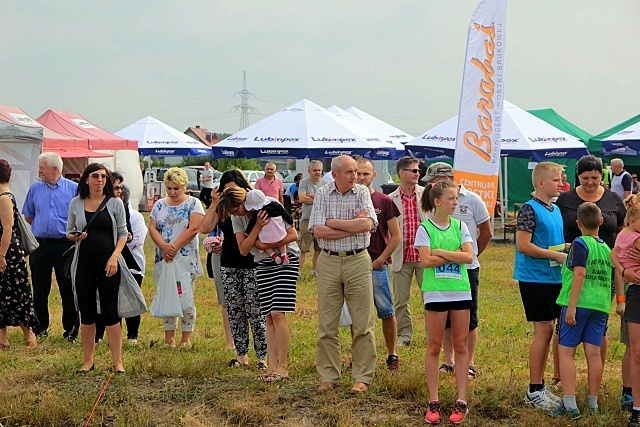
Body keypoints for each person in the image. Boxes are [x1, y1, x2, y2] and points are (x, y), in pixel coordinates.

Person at [309, 155, 377, 394]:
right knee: (327, 324)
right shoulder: (322, 193)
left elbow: (366, 225)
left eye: (357, 172)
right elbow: (318, 231)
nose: (355, 176)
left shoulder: (362, 193)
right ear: (335, 174)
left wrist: (333, 223)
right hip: (328, 261)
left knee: (362, 323)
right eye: (349, 172)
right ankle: (328, 376)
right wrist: (350, 225)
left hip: (358, 259)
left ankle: (362, 377)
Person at [556, 155, 626, 389]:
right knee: (563, 326)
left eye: (595, 178)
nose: (590, 182)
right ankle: (560, 377)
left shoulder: (614, 199)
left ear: (602, 176)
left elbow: (621, 229)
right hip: (571, 265)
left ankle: (596, 379)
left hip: (602, 269)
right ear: (578, 177)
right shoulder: (565, 199)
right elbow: (557, 228)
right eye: (585, 178)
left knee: (599, 328)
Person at [218, 185, 299, 382]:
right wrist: (256, 229)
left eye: (236, 209)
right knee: (269, 316)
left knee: (278, 313)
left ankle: (283, 367)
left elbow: (293, 235)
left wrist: (264, 245)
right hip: (262, 263)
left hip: (286, 258)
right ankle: (271, 366)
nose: (236, 214)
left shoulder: (271, 205)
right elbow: (244, 249)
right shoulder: (238, 219)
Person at [424, 162, 492, 379]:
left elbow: (486, 232)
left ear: (446, 178)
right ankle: (449, 360)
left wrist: (471, 257)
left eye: (434, 181)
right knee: (444, 318)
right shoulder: (432, 200)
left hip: (467, 269)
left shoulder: (472, 199)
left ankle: (469, 362)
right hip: (440, 270)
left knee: (469, 317)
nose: (430, 185)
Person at [416, 179, 474, 425]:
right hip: (436, 293)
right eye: (451, 199)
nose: (455, 203)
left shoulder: (460, 226)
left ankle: (461, 400)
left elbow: (469, 256)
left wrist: (440, 252)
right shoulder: (425, 228)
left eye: (456, 198)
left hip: (460, 291)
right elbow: (425, 262)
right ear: (437, 202)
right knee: (434, 346)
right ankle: (434, 400)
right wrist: (453, 256)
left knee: (461, 346)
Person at [66, 163, 134, 373]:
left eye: (104, 177)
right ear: (86, 179)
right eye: (95, 176)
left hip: (109, 264)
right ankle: (88, 361)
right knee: (86, 312)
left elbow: (123, 234)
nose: (100, 180)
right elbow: (68, 232)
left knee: (110, 312)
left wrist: (114, 257)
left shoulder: (115, 203)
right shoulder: (76, 203)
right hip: (84, 263)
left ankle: (117, 362)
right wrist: (75, 236)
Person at [549, 203, 613, 418]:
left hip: (578, 304)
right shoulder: (606, 248)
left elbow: (579, 274)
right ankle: (593, 404)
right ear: (602, 221)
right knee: (594, 354)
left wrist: (572, 306)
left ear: (577, 224)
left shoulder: (579, 244)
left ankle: (570, 405)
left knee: (566, 352)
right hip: (600, 306)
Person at [201, 170, 266, 367]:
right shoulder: (223, 207)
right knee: (234, 309)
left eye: (233, 191)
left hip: (252, 261)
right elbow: (204, 228)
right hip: (229, 260)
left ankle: (262, 356)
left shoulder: (252, 206)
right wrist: (214, 203)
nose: (230, 196)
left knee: (256, 310)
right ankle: (241, 355)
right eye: (225, 191)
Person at [515, 161, 566, 411]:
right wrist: (555, 256)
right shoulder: (529, 209)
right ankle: (534, 388)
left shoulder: (554, 210)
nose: (561, 183)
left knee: (553, 330)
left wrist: (567, 249)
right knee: (544, 330)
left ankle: (542, 385)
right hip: (535, 279)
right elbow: (523, 245)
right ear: (541, 183)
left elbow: (553, 242)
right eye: (557, 180)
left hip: (555, 278)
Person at [22, 152, 79, 341]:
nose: (39, 171)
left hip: (65, 244)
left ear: (55, 169)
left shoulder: (73, 189)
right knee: (39, 288)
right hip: (41, 245)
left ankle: (71, 329)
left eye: (42, 167)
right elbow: (28, 216)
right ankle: (40, 328)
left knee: (68, 288)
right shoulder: (35, 189)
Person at [149, 167, 204, 347]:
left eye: (176, 188)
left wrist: (174, 247)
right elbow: (152, 227)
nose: (172, 192)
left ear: (184, 186)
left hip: (185, 258)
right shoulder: (159, 205)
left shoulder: (193, 203)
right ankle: (169, 337)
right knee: (167, 295)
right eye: (169, 188)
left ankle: (186, 338)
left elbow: (194, 228)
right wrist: (164, 246)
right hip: (164, 258)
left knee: (185, 297)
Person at [356, 158, 402, 370]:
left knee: (385, 310)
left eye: (366, 174)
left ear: (374, 175)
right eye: (358, 173)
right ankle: (360, 356)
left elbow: (395, 236)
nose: (361, 178)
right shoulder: (349, 200)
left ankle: (392, 354)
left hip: (376, 264)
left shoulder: (384, 201)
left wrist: (381, 260)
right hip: (353, 263)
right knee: (357, 314)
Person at [389, 156, 429, 346]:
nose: (417, 173)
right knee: (400, 301)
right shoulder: (391, 200)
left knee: (430, 298)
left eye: (418, 171)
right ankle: (404, 336)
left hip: (425, 256)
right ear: (401, 173)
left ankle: (432, 335)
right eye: (414, 170)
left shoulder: (427, 195)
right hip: (400, 256)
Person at [0, 160, 38, 348]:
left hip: (8, 252)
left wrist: (1, 256)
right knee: (2, 293)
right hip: (5, 249)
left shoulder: (4, 197)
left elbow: (8, 229)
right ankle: (2, 337)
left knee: (17, 292)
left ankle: (29, 334)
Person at [611, 195, 640, 415]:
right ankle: (630, 395)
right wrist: (624, 271)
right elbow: (614, 255)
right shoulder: (633, 237)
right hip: (635, 292)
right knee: (633, 348)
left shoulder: (626, 233)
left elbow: (614, 254)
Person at [121, 185, 147, 344]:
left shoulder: (135, 217)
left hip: (133, 265)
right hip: (113, 263)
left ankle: (132, 336)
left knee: (131, 300)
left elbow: (136, 241)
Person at [245, 189, 292, 265]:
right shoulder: (275, 205)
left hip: (266, 239)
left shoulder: (256, 213)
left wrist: (247, 232)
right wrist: (290, 221)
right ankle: (284, 255)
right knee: (281, 242)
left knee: (263, 241)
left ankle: (273, 256)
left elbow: (252, 224)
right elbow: (285, 214)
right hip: (280, 234)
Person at [298, 160, 328, 275]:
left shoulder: (325, 184)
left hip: (321, 219)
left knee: (318, 247)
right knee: (303, 246)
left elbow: (326, 201)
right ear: (309, 171)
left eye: (319, 170)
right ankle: (299, 271)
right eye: (315, 170)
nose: (317, 172)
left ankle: (315, 270)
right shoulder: (304, 183)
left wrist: (311, 196)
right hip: (307, 218)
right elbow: (302, 198)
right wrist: (318, 199)